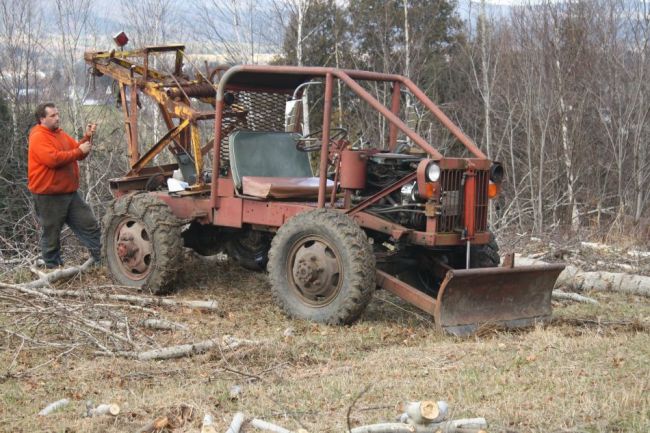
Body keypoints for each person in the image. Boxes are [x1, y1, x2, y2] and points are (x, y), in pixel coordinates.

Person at [28, 102, 101, 269]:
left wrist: (87, 137)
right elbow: (53, 159)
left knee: (89, 225)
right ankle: (53, 269)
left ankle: (103, 260)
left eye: (57, 114)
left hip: (69, 192)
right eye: (52, 116)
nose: (57, 118)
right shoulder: (38, 136)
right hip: (48, 194)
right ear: (42, 119)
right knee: (51, 234)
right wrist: (78, 151)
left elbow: (78, 151)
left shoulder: (59, 134)